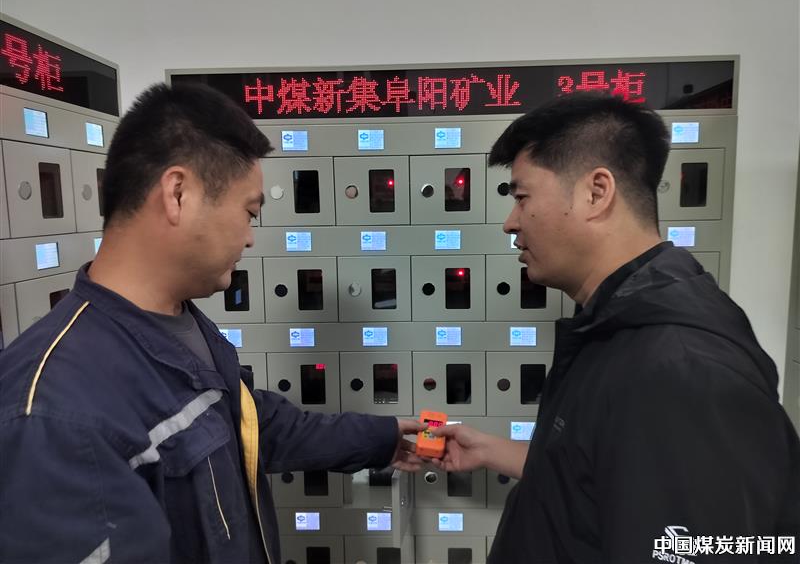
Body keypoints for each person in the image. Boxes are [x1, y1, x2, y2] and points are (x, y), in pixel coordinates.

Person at [0, 82, 425, 564]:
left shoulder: (183, 325)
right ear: (178, 194)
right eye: (249, 212)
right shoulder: (50, 416)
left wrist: (383, 438)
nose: (251, 238)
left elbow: (248, 424)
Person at [430, 93, 800, 563]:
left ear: (596, 192)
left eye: (522, 198)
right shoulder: (616, 324)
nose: (511, 223)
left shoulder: (683, 370)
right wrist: (491, 450)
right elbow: (605, 475)